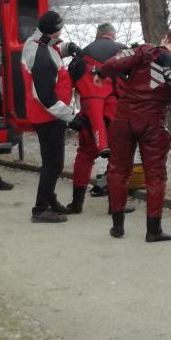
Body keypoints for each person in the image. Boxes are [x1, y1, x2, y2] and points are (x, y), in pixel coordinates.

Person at [98, 27, 171, 242]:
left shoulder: (144, 51)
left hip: (125, 119)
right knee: (155, 176)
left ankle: (117, 227)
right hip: (154, 125)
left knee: (118, 171)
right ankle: (153, 230)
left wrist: (99, 73)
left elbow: (114, 63)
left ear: (165, 38)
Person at [22, 10, 76, 223]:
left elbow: (49, 53)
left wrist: (66, 49)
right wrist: (71, 116)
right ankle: (40, 208)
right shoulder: (41, 55)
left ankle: (49, 199)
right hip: (48, 116)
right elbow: (46, 97)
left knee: (52, 161)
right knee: (53, 163)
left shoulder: (37, 43)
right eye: (59, 29)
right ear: (54, 31)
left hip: (47, 115)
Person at [66, 22, 124, 214]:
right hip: (113, 116)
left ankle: (76, 203)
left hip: (87, 117)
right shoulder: (121, 51)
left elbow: (68, 83)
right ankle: (114, 206)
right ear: (112, 36)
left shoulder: (83, 54)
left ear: (98, 36)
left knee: (84, 156)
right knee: (117, 159)